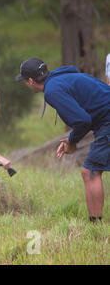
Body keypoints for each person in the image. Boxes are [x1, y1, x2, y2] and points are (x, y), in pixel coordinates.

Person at [15, 58, 110, 223]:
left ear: (30, 81)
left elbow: (82, 121)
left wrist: (72, 142)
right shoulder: (60, 76)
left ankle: (96, 225)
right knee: (91, 171)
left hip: (107, 121)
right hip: (104, 120)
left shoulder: (52, 90)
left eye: (24, 80)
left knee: (90, 171)